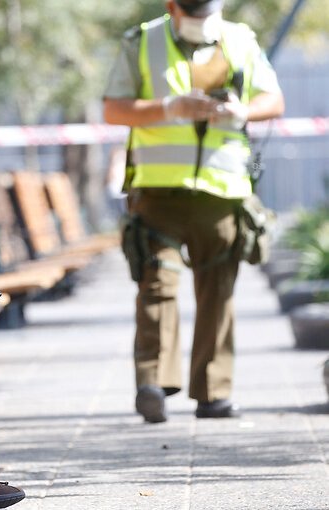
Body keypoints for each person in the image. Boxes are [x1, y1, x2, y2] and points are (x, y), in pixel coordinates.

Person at [103, 0, 284, 422]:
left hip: (222, 193)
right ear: (172, 7)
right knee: (156, 285)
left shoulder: (241, 39)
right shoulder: (143, 40)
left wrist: (242, 110)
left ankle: (213, 394)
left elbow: (273, 100)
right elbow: (113, 108)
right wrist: (169, 109)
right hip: (158, 193)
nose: (202, 21)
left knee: (218, 290)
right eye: (194, 12)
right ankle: (152, 384)